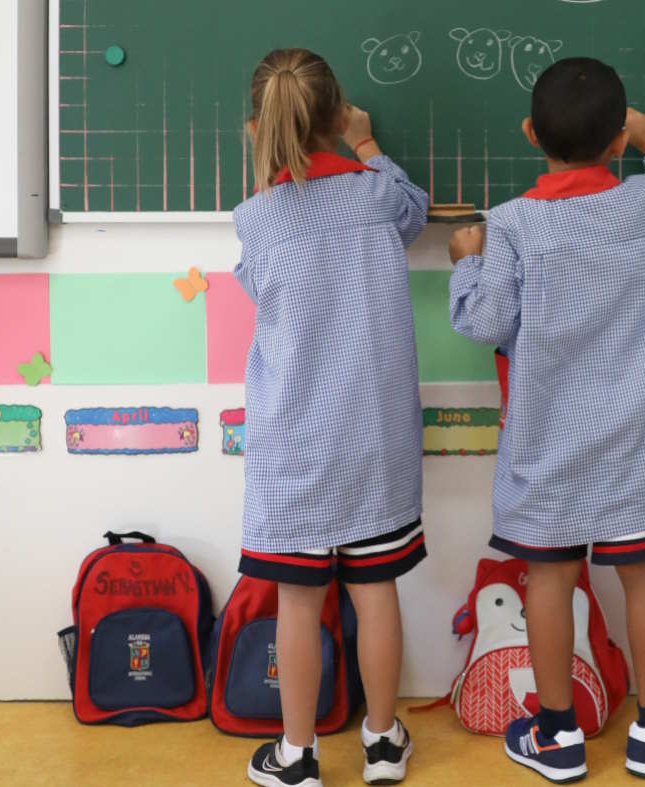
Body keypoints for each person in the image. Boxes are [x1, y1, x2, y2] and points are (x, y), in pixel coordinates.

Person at [448, 57, 645, 783]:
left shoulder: (509, 225)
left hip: (548, 446)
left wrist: (464, 262)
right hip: (637, 442)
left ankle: (556, 732)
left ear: (532, 133)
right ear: (615, 140)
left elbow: (487, 320)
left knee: (550, 577)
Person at [233, 48, 428, 787]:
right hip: (374, 439)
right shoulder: (378, 196)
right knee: (376, 590)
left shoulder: (255, 219)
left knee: (299, 601)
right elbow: (413, 210)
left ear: (259, 127)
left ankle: (297, 755)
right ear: (338, 116)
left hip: (294, 445)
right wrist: (368, 144)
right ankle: (382, 743)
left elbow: (263, 289)